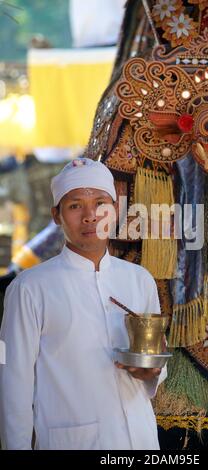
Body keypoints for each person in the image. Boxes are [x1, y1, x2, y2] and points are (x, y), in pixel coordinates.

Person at [0, 158, 167, 450]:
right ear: (56, 216)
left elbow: (157, 355)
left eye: (100, 203)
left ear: (115, 211)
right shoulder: (29, 288)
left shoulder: (140, 279)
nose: (90, 216)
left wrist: (152, 371)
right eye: (75, 205)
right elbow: (13, 385)